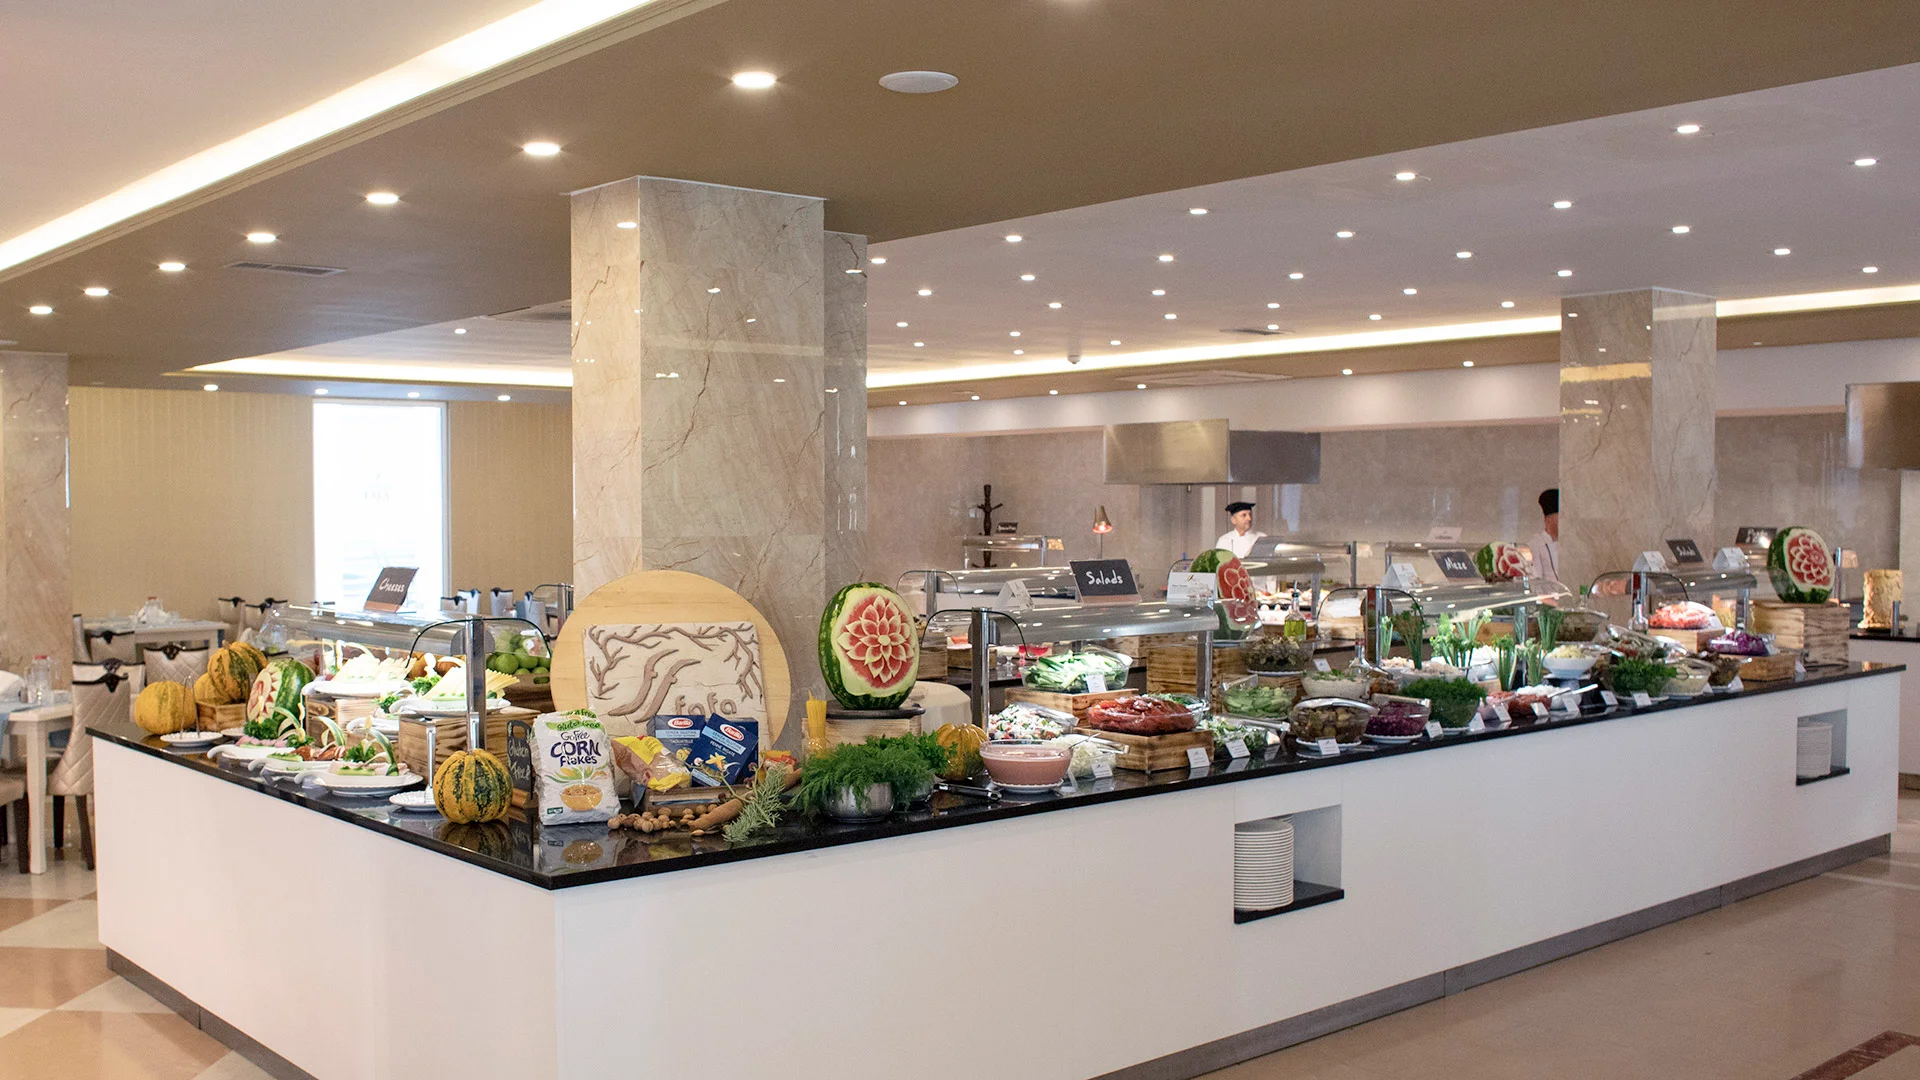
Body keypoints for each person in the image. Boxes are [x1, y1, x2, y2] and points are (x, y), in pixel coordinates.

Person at [1528, 488, 1561, 583]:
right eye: (1560, 517)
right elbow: (1535, 581)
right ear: (1548, 520)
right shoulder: (1536, 544)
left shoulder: (1568, 543)